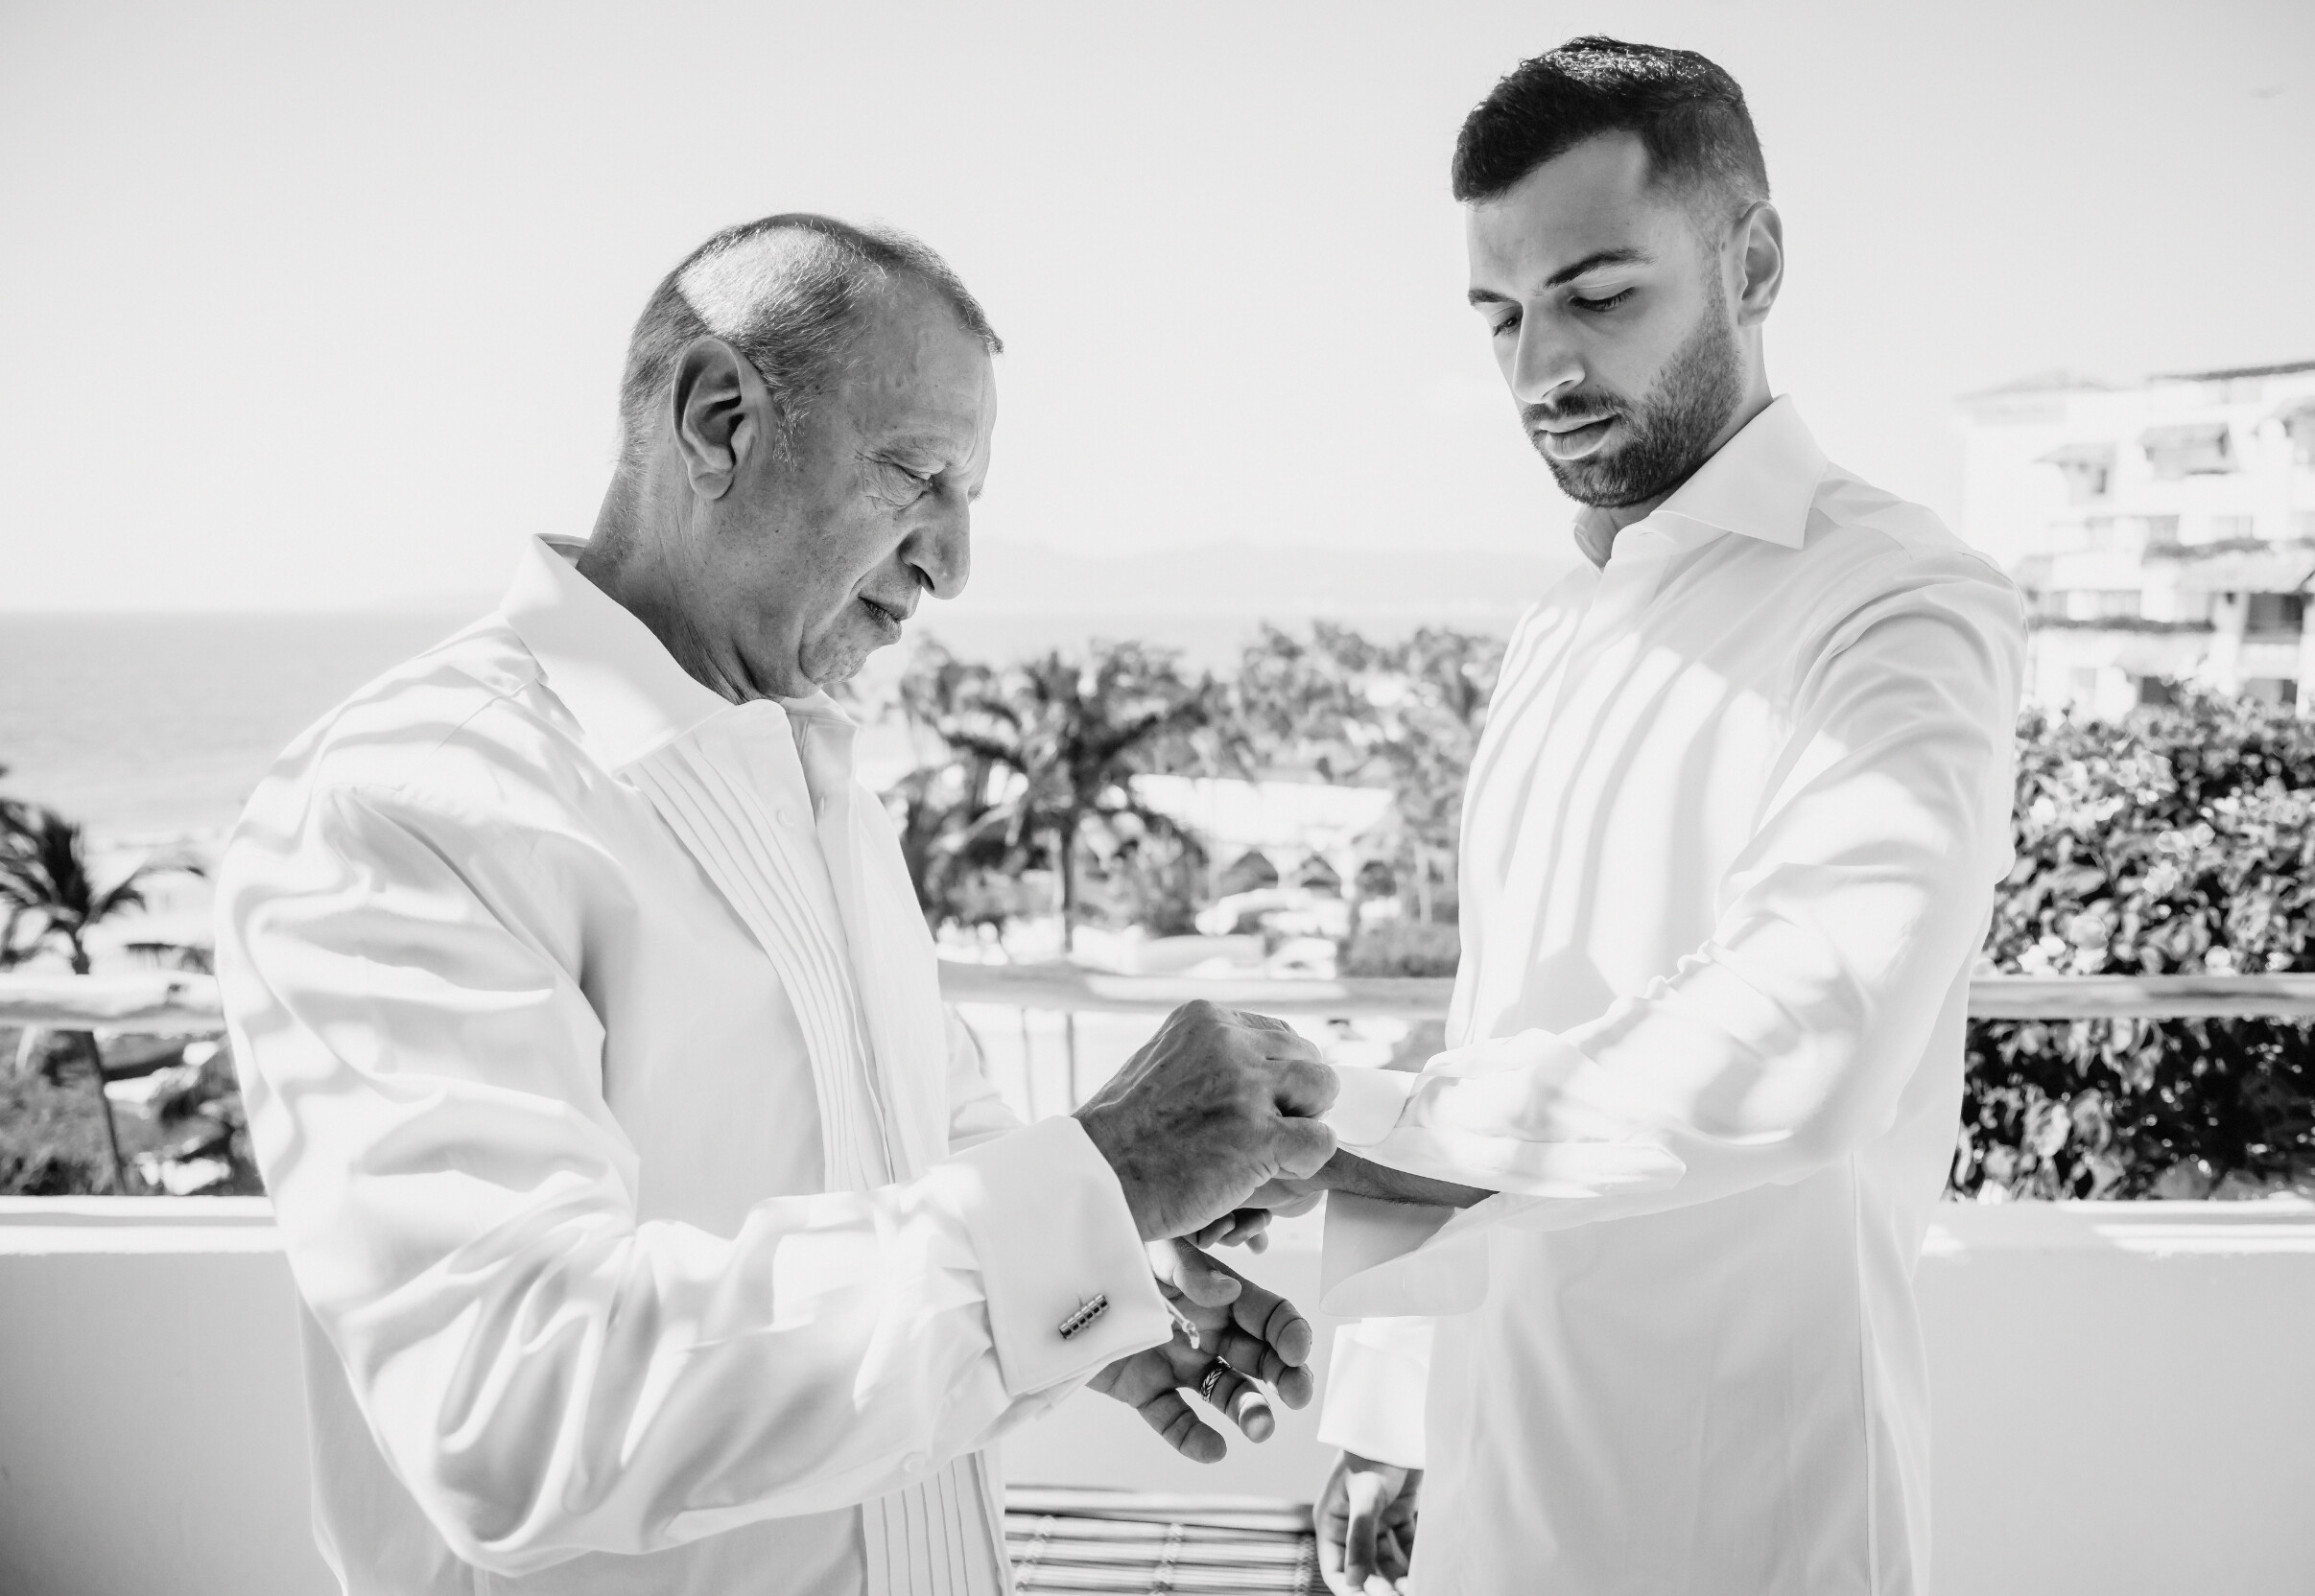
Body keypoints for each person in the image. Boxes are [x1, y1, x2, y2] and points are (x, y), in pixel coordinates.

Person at [215, 214, 1337, 1596]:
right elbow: (512, 1401)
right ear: (718, 419)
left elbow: (935, 1146)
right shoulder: (411, 803)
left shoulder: (814, 770)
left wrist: (1105, 1277)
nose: (956, 562)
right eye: (917, 476)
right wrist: (1100, 1177)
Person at [1292, 39, 2024, 1596]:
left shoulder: (1903, 602)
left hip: (1751, 1501)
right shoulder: (1563, 621)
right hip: (1498, 1484)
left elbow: (1813, 1035)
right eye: (1501, 316)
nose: (1540, 365)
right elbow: (1505, 1013)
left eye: (1600, 294)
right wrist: (1395, 1409)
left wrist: (1366, 1136)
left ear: (1752, 261)